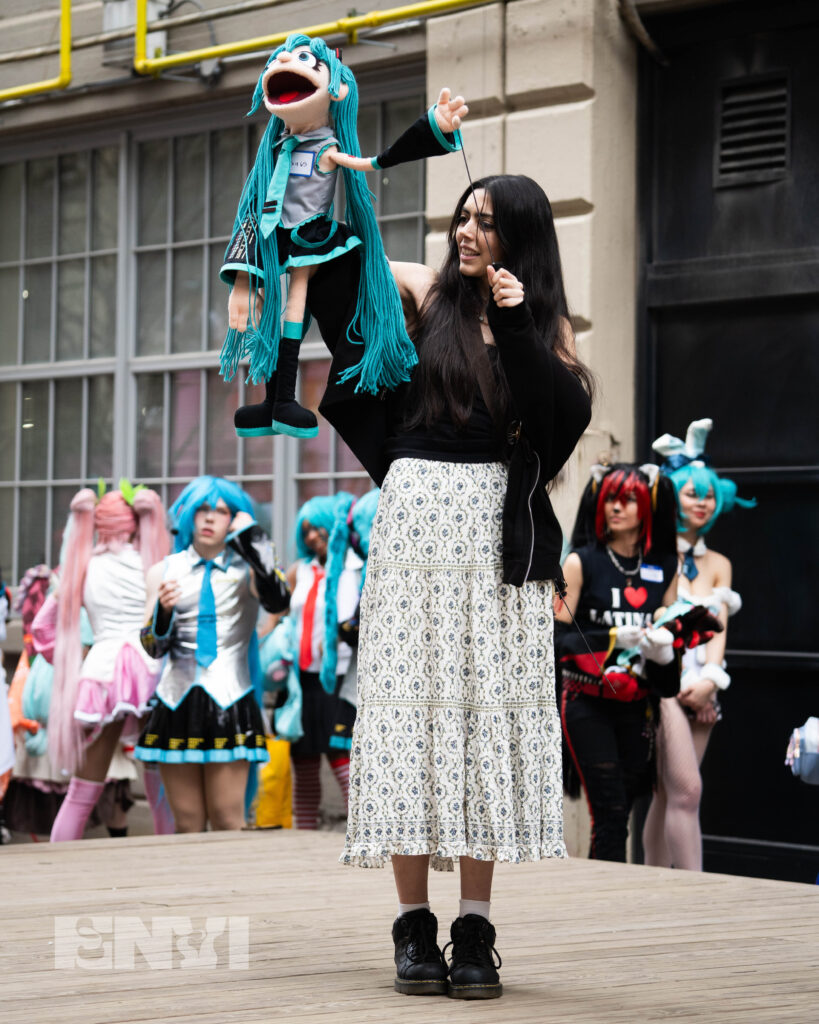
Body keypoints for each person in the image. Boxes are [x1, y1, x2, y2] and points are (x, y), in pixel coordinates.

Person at [292, 174, 593, 999]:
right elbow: (341, 264)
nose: (465, 232)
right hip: (414, 525)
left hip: (492, 540)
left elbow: (558, 418)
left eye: (485, 223)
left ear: (520, 239)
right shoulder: (427, 293)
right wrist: (324, 166)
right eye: (462, 216)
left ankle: (474, 930)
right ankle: (412, 929)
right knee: (406, 718)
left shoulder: (543, 326)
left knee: (481, 723)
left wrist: (515, 318)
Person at [220, 33, 466, 438]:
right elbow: (250, 210)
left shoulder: (327, 149)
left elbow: (375, 162)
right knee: (276, 311)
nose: (285, 63)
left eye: (302, 59)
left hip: (312, 240)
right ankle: (272, 401)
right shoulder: (275, 151)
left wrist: (431, 130)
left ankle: (284, 398)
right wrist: (244, 279)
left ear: (338, 88)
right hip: (276, 239)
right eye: (280, 59)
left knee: (294, 307)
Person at [135, 476, 289, 832]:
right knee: (187, 823)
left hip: (230, 699)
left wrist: (251, 536)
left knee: (227, 819)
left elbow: (279, 599)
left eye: (221, 512)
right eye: (203, 509)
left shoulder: (248, 571)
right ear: (189, 513)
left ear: (234, 519)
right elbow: (152, 648)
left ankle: (231, 888)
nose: (209, 518)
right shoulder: (163, 570)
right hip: (176, 701)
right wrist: (163, 613)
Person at [642, 418, 755, 871]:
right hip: (663, 681)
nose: (703, 502)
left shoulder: (720, 564)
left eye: (709, 494)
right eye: (692, 493)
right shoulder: (655, 554)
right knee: (681, 790)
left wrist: (710, 680)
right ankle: (691, 891)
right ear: (673, 495)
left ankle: (653, 884)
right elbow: (658, 620)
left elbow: (718, 627)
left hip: (701, 684)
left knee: (674, 791)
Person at [556, 462, 681, 864]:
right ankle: (602, 900)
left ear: (647, 506)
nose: (617, 507)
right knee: (608, 812)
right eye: (610, 497)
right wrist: (609, 639)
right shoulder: (580, 562)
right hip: (586, 700)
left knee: (624, 807)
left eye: (628, 498)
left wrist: (664, 650)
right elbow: (552, 638)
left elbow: (671, 659)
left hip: (638, 703)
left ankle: (608, 892)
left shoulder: (664, 567)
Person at [44, 486, 171, 842]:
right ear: (134, 524)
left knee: (82, 790)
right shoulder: (155, 563)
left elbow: (41, 627)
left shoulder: (79, 568)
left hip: (99, 673)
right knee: (160, 778)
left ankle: (56, 865)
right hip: (150, 672)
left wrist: (66, 660)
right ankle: (173, 863)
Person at [282, 492, 364, 829]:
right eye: (306, 532)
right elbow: (283, 617)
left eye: (317, 527)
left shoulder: (358, 568)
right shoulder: (300, 570)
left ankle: (360, 829)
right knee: (302, 758)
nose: (312, 536)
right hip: (302, 677)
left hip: (342, 676)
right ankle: (304, 831)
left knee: (341, 754)